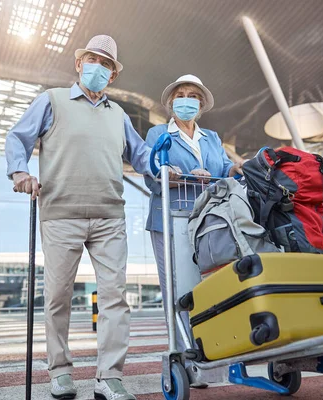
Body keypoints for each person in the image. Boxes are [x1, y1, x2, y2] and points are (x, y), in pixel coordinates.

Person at [6, 34, 176, 400]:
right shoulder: (51, 101)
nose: (99, 68)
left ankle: (109, 377)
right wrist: (19, 172)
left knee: (115, 297)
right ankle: (60, 372)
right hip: (60, 215)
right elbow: (18, 138)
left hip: (109, 218)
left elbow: (142, 156)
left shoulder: (118, 116)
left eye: (107, 65)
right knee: (58, 297)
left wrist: (162, 165)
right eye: (93, 60)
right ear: (79, 64)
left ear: (113, 76)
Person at [144, 74, 245, 387]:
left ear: (200, 105)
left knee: (209, 287)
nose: (186, 99)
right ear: (172, 102)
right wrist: (171, 173)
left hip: (206, 223)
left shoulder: (212, 138)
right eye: (180, 94)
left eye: (192, 95)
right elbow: (149, 170)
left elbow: (223, 169)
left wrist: (236, 168)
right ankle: (184, 356)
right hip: (169, 220)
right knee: (176, 290)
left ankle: (210, 354)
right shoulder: (159, 133)